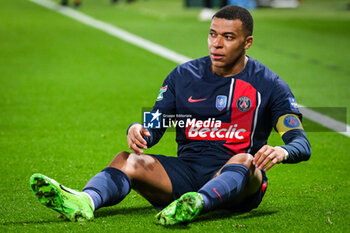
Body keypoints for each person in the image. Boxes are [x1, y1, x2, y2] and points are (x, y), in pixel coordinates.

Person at [30, 5, 311, 225]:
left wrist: (281, 152)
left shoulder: (270, 85)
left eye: (228, 37)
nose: (217, 44)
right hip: (187, 172)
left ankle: (197, 203)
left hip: (237, 179)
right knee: (128, 160)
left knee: (246, 160)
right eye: (213, 34)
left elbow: (300, 141)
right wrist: (139, 129)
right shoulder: (183, 75)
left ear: (247, 42)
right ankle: (84, 201)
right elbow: (156, 123)